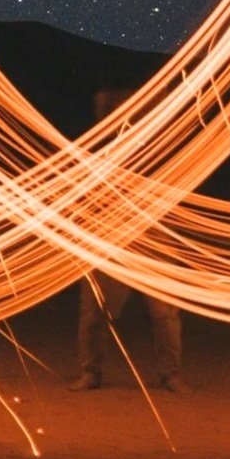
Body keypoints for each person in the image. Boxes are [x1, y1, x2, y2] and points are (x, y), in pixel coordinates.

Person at [69, 87, 187, 393]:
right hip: (111, 236)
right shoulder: (103, 154)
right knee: (95, 310)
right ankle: (91, 372)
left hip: (155, 236)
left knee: (164, 313)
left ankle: (170, 375)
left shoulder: (159, 150)